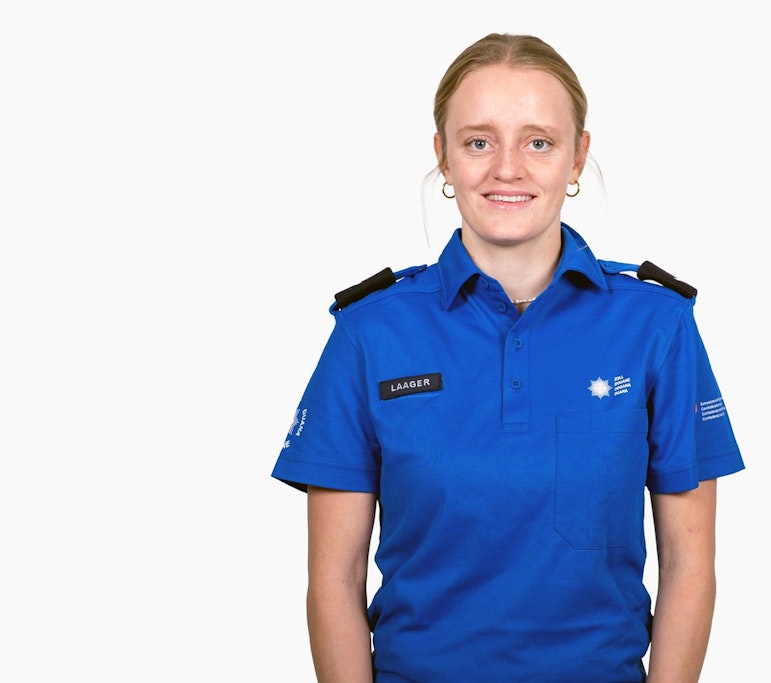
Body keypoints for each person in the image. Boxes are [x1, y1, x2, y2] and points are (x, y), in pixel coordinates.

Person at [272, 32, 745, 683]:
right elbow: (334, 576)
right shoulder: (369, 332)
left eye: (539, 141)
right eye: (478, 141)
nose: (507, 168)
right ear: (442, 155)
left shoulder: (657, 325)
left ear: (578, 157)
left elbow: (690, 564)